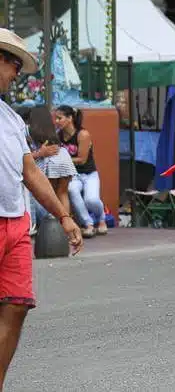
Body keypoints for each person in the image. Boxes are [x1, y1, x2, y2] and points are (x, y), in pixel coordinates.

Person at [0, 28, 83, 388]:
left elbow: (30, 171)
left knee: (17, 306)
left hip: (16, 222)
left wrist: (64, 216)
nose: (18, 73)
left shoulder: (10, 118)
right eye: (14, 64)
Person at [55, 105, 107, 238]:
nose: (56, 121)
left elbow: (82, 159)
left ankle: (101, 219)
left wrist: (63, 159)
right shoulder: (58, 135)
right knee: (71, 190)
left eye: (59, 118)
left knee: (91, 200)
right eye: (55, 118)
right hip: (73, 175)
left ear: (70, 118)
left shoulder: (83, 134)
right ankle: (88, 224)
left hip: (89, 174)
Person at [23, 107, 78, 233]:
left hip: (48, 162)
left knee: (46, 197)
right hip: (63, 157)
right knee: (62, 193)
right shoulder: (54, 131)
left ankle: (50, 230)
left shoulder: (26, 131)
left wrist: (38, 153)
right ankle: (64, 228)